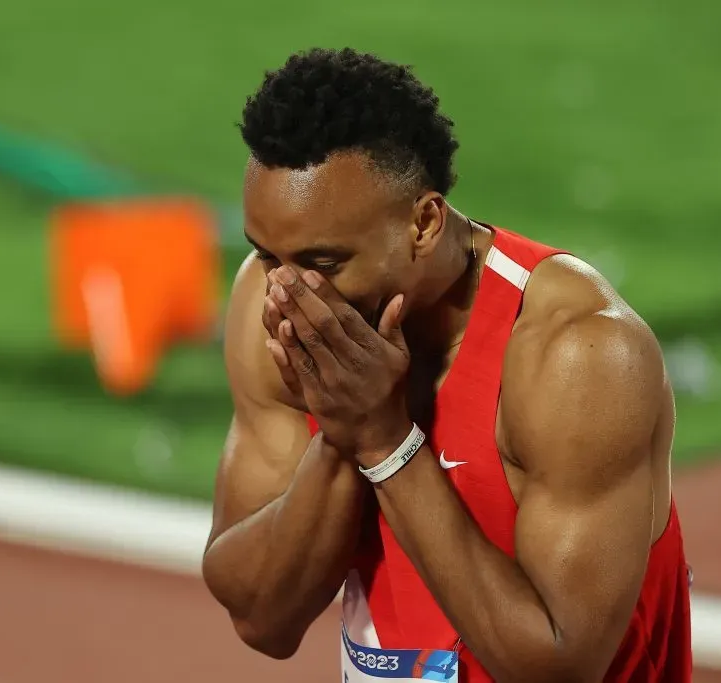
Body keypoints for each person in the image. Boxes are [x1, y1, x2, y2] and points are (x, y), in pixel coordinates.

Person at [202, 47, 692, 683]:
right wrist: (340, 440)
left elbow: (558, 667)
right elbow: (260, 616)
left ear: (425, 224)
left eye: (323, 264)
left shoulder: (576, 353)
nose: (291, 296)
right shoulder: (273, 307)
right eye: (268, 256)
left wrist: (383, 441)